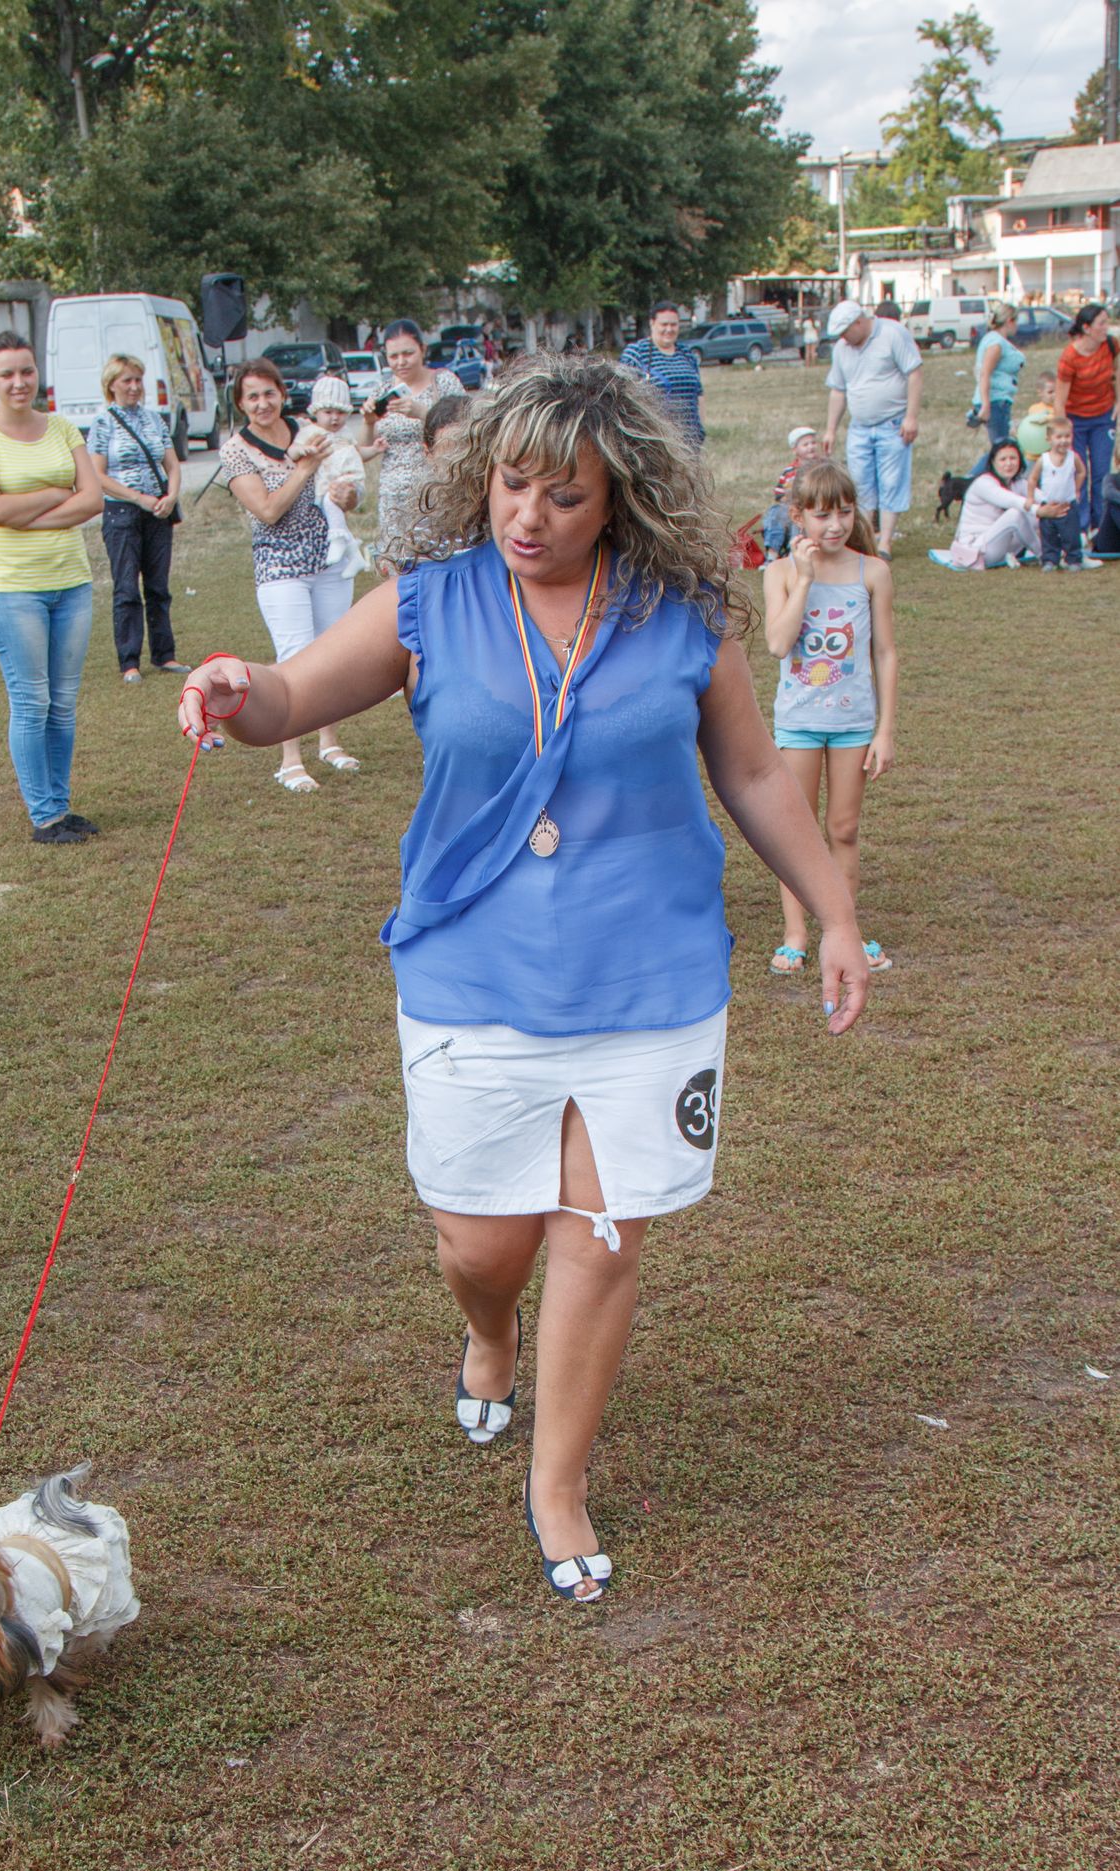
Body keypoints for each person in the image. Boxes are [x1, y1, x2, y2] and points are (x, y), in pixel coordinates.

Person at [177, 354, 869, 1606]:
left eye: (563, 494)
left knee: (600, 1240)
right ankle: (488, 1330)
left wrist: (831, 911)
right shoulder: (425, 601)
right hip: (470, 968)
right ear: (479, 479)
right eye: (510, 486)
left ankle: (556, 1484)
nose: (527, 518)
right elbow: (287, 697)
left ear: (620, 500)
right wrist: (236, 691)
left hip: (646, 976)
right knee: (479, 1240)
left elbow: (756, 775)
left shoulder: (679, 614)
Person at [0, 331, 103, 845]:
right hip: (13, 588)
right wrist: (54, 493)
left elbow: (93, 500)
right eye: (7, 373)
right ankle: (43, 816)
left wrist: (30, 514)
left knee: (62, 702)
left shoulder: (62, 427)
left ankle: (60, 807)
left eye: (27, 371)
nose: (19, 382)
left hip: (71, 581)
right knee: (31, 701)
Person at [763, 459, 895, 979]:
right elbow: (777, 643)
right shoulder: (778, 573)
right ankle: (795, 934)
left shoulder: (873, 572)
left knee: (843, 828)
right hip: (798, 720)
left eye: (844, 512)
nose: (835, 525)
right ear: (798, 517)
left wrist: (885, 730)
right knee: (796, 831)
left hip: (854, 723)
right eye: (821, 515)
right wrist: (805, 579)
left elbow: (885, 653)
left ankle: (847, 930)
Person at [221, 358, 360, 789]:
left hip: (329, 560)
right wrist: (303, 470)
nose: (263, 403)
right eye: (252, 397)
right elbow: (267, 509)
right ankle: (290, 758)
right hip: (280, 566)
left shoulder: (308, 432)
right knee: (293, 659)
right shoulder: (235, 451)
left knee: (331, 656)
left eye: (269, 393)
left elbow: (348, 493)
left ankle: (329, 743)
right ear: (241, 403)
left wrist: (347, 494)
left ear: (282, 393)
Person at [87, 351, 189, 684]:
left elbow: (171, 463)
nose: (134, 387)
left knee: (158, 586)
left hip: (158, 511)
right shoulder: (103, 424)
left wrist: (170, 495)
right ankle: (129, 659)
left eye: (137, 380)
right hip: (122, 513)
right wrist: (137, 498)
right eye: (126, 381)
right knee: (127, 587)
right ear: (111, 385)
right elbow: (97, 474)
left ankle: (165, 653)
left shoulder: (153, 419)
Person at [358, 319, 463, 572]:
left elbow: (465, 429)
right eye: (393, 356)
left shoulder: (443, 382)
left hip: (436, 493)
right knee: (398, 574)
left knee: (438, 566)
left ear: (423, 350)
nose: (401, 361)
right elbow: (362, 451)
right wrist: (369, 422)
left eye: (408, 353)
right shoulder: (382, 389)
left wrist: (422, 412)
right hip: (393, 498)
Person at [821, 300, 922, 560]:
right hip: (860, 427)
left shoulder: (892, 333)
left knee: (891, 482)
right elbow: (838, 390)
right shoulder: (842, 349)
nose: (843, 338)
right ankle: (863, 542)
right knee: (860, 485)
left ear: (859, 321)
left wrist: (911, 417)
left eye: (846, 331)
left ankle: (885, 541)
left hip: (892, 423)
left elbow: (914, 373)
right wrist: (831, 429)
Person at [1055, 304, 1119, 537]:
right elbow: (1060, 400)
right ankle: (1080, 527)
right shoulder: (1069, 357)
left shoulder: (1111, 345)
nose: (1106, 327)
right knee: (1079, 472)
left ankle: (1100, 527)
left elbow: (1116, 371)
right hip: (1076, 420)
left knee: (1102, 472)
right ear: (1086, 328)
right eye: (1101, 323)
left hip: (1103, 417)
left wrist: (1118, 401)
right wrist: (1062, 431)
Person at [305, 373, 368, 589]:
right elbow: (295, 449)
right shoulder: (312, 432)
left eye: (340, 413)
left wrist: (375, 450)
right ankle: (353, 554)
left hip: (347, 475)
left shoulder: (346, 433)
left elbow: (359, 452)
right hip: (330, 478)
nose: (334, 418)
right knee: (330, 505)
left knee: (331, 502)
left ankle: (338, 541)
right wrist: (304, 450)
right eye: (328, 412)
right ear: (316, 412)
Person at [937, 441, 1039, 569]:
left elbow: (1044, 498)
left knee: (1036, 517)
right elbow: (1010, 500)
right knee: (1016, 514)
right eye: (1003, 459)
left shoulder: (1018, 482)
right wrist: (1040, 510)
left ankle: (1060, 551)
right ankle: (1045, 555)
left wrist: (1056, 508)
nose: (1009, 463)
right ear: (993, 462)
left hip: (998, 544)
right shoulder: (983, 483)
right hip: (976, 549)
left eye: (1013, 458)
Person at [618, 302, 704, 447]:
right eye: (664, 324)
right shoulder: (636, 353)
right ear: (652, 323)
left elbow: (699, 395)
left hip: (690, 441)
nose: (669, 329)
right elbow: (623, 397)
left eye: (674, 324)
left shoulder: (687, 354)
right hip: (655, 442)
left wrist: (701, 431)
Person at [1027, 416, 1091, 572]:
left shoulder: (1073, 457)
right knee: (1049, 535)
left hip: (1067, 504)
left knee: (1071, 535)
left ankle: (1074, 559)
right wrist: (1030, 498)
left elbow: (1082, 472)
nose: (1063, 441)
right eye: (1059, 437)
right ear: (1049, 439)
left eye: (1067, 436)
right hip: (1048, 504)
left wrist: (1076, 489)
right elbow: (1032, 479)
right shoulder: (1044, 459)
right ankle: (1050, 560)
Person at [969, 304, 1024, 473]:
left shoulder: (991, 339)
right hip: (995, 401)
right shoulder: (996, 344)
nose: (1017, 326)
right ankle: (967, 482)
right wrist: (985, 405)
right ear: (1009, 321)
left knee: (1001, 448)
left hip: (998, 400)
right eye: (1016, 321)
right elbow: (985, 373)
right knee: (1001, 450)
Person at [762, 426, 820, 560]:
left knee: (798, 517)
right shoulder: (789, 472)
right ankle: (772, 553)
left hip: (812, 507)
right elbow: (779, 494)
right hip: (790, 506)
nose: (811, 447)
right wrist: (788, 498)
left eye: (813, 443)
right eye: (805, 444)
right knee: (774, 513)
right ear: (795, 450)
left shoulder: (821, 468)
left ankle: (794, 552)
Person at [1015, 370, 1057, 461]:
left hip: (1050, 457)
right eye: (1050, 392)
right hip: (1032, 455)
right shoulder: (1033, 409)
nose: (1055, 395)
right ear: (1040, 393)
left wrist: (1048, 418)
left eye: (1057, 391)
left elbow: (1060, 420)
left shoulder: (1058, 411)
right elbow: (1027, 429)